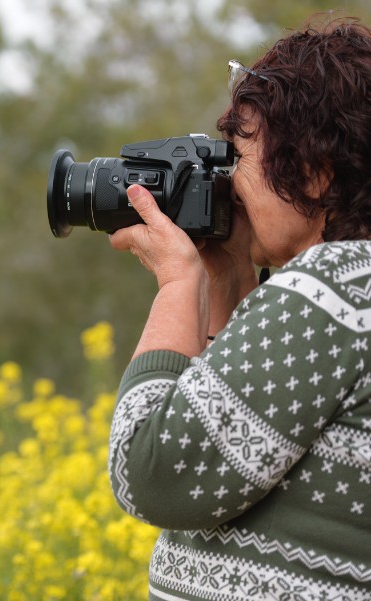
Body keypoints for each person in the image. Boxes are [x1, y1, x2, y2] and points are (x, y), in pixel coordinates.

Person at [106, 16, 371, 601]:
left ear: (315, 170)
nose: (225, 181)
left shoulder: (331, 287)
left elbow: (151, 474)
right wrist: (225, 282)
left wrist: (179, 282)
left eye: (241, 156)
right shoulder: (351, 291)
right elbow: (241, 433)